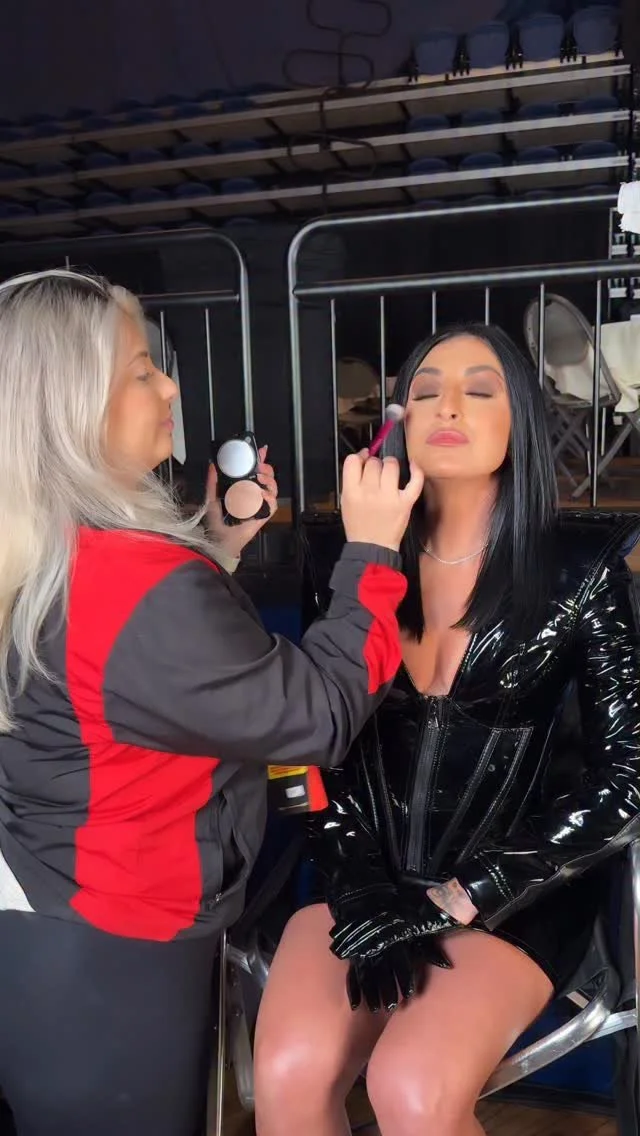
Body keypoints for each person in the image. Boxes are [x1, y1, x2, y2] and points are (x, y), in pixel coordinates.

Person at [0, 269, 424, 1136]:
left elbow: (132, 677)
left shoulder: (42, 543)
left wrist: (216, 547)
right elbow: (317, 714)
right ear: (72, 405)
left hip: (50, 916)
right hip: (114, 946)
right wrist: (373, 553)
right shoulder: (136, 583)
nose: (170, 389)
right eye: (141, 371)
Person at [254, 323, 640, 1136]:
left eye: (479, 389)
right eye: (426, 391)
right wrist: (354, 877)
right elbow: (298, 747)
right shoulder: (346, 557)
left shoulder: (580, 570)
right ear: (398, 422)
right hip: (363, 879)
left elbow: (626, 781)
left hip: (512, 896)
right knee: (287, 1073)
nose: (448, 406)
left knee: (413, 1088)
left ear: (520, 421)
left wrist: (464, 895)